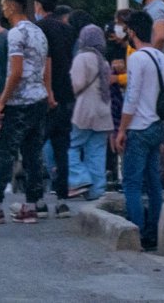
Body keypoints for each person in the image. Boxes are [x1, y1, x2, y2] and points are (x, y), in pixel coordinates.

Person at [0, 0, 50, 225]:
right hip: (39, 99)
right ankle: (33, 203)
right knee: (33, 154)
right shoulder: (38, 33)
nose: (2, 9)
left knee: (5, 153)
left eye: (4, 5)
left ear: (13, 6)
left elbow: (16, 71)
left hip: (20, 102)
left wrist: (2, 102)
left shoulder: (16, 35)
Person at [112, 10, 164, 252]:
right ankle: (152, 233)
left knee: (133, 185)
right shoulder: (162, 59)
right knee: (154, 183)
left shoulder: (137, 58)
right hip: (157, 126)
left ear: (132, 32)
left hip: (138, 127)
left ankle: (136, 230)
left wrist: (121, 130)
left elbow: (132, 97)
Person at [33, 0, 76, 217]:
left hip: (44, 96)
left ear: (38, 6)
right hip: (66, 95)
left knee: (35, 147)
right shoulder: (68, 31)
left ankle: (38, 199)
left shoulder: (37, 29)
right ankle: (62, 199)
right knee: (62, 149)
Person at [68, 24, 114, 201]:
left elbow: (76, 84)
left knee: (70, 145)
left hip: (84, 110)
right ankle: (96, 190)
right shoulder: (103, 61)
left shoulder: (82, 58)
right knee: (96, 152)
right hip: (103, 111)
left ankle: (80, 178)